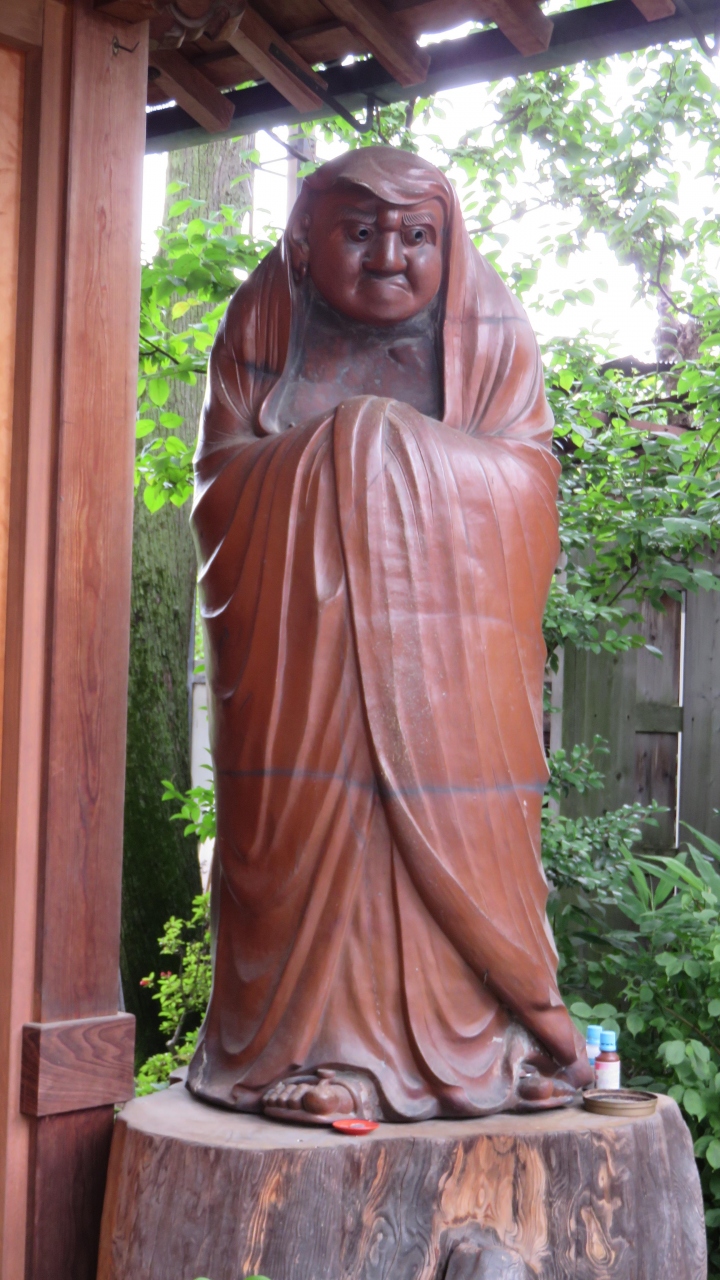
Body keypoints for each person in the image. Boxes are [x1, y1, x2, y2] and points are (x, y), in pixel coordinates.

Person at [187, 147, 593, 1124]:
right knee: (322, 837)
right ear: (305, 238)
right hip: (306, 670)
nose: (389, 256)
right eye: (361, 231)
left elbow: (529, 487)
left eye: (417, 235)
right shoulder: (265, 323)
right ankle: (309, 1052)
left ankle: (487, 1042)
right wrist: (345, 453)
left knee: (449, 841)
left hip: (447, 676)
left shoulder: (489, 336)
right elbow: (220, 488)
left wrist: (377, 449)